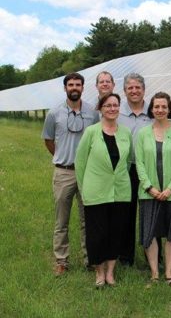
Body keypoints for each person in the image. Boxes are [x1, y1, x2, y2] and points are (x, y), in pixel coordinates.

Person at [42, 72, 99, 276]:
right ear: (65, 88)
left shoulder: (93, 113)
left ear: (83, 88)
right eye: (71, 84)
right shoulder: (54, 113)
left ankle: (90, 259)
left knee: (88, 219)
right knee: (61, 219)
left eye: (78, 84)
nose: (74, 87)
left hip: (87, 174)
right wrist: (61, 156)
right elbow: (48, 140)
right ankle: (62, 260)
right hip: (63, 173)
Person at [75, 93, 133, 287]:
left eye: (115, 105)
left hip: (120, 192)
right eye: (107, 105)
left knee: (115, 233)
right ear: (100, 108)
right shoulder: (91, 132)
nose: (112, 108)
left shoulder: (125, 133)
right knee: (97, 235)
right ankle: (99, 273)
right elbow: (80, 162)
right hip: (96, 192)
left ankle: (110, 273)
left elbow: (128, 161)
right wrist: (85, 188)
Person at [135, 92, 171, 288]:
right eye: (156, 106)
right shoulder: (142, 133)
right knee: (150, 233)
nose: (160, 110)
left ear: (169, 108)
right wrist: (149, 187)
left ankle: (169, 272)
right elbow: (139, 163)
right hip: (148, 193)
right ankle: (154, 274)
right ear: (151, 109)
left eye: (163, 107)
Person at [118, 73, 152, 266]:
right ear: (124, 91)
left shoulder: (153, 110)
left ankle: (152, 255)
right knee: (127, 212)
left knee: (149, 211)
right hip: (126, 168)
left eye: (137, 87)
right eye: (130, 88)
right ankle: (126, 256)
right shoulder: (118, 111)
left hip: (148, 168)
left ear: (144, 89)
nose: (134, 91)